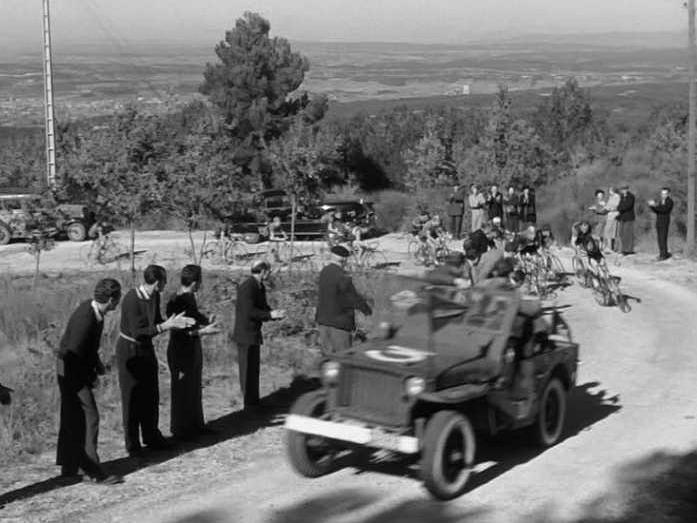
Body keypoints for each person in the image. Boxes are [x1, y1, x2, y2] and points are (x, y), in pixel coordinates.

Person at [117, 265, 193, 457]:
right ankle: (133, 445)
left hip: (146, 349)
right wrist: (165, 326)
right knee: (132, 397)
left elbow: (157, 321)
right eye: (165, 280)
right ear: (158, 282)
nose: (166, 284)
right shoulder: (131, 299)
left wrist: (174, 322)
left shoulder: (155, 296)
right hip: (130, 350)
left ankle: (152, 436)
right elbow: (138, 331)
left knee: (151, 393)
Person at [56, 278, 124, 484]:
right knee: (89, 417)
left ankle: (69, 466)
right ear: (112, 299)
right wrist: (87, 378)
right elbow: (73, 353)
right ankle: (93, 471)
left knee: (71, 418)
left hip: (69, 367)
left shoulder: (95, 312)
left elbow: (89, 348)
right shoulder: (86, 318)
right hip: (69, 370)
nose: (118, 302)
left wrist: (98, 365)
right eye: (118, 298)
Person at [166, 265, 220, 440]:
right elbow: (180, 331)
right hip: (181, 349)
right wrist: (204, 332)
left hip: (192, 347)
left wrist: (206, 320)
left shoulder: (189, 297)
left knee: (195, 387)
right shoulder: (176, 300)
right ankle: (181, 429)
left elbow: (194, 315)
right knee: (182, 389)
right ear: (195, 282)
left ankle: (196, 424)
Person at [232, 261, 285, 411]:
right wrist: (269, 315)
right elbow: (250, 311)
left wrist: (274, 314)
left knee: (254, 369)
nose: (270, 274)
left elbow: (262, 306)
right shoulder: (247, 287)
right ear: (262, 271)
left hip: (254, 332)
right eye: (268, 271)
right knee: (247, 369)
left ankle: (254, 401)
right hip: (245, 334)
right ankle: (248, 404)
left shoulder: (259, 286)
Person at [316, 245, 373, 355]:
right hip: (339, 324)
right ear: (344, 260)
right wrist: (367, 310)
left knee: (327, 358)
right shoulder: (342, 276)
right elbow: (352, 298)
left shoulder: (324, 271)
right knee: (343, 358)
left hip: (323, 321)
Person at [649, 187, 674, 261]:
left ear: (668, 194)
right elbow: (657, 211)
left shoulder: (670, 201)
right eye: (662, 193)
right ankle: (662, 253)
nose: (663, 195)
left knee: (663, 238)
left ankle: (664, 255)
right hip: (659, 221)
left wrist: (655, 206)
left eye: (665, 193)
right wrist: (651, 206)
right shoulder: (661, 201)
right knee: (659, 238)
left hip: (664, 222)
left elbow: (664, 210)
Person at [616, 185, 636, 255]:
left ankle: (628, 250)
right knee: (621, 233)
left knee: (627, 234)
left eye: (624, 189)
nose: (623, 191)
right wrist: (619, 208)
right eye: (622, 189)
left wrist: (620, 208)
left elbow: (627, 206)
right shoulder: (622, 197)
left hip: (629, 218)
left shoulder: (631, 196)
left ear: (627, 189)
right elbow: (619, 206)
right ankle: (623, 248)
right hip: (622, 217)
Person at [604, 187, 620, 252]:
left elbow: (617, 206)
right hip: (609, 215)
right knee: (608, 231)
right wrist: (604, 206)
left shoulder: (617, 197)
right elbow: (607, 206)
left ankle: (611, 248)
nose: (609, 192)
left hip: (614, 215)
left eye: (610, 190)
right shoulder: (611, 197)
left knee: (611, 232)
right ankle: (609, 247)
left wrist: (610, 208)